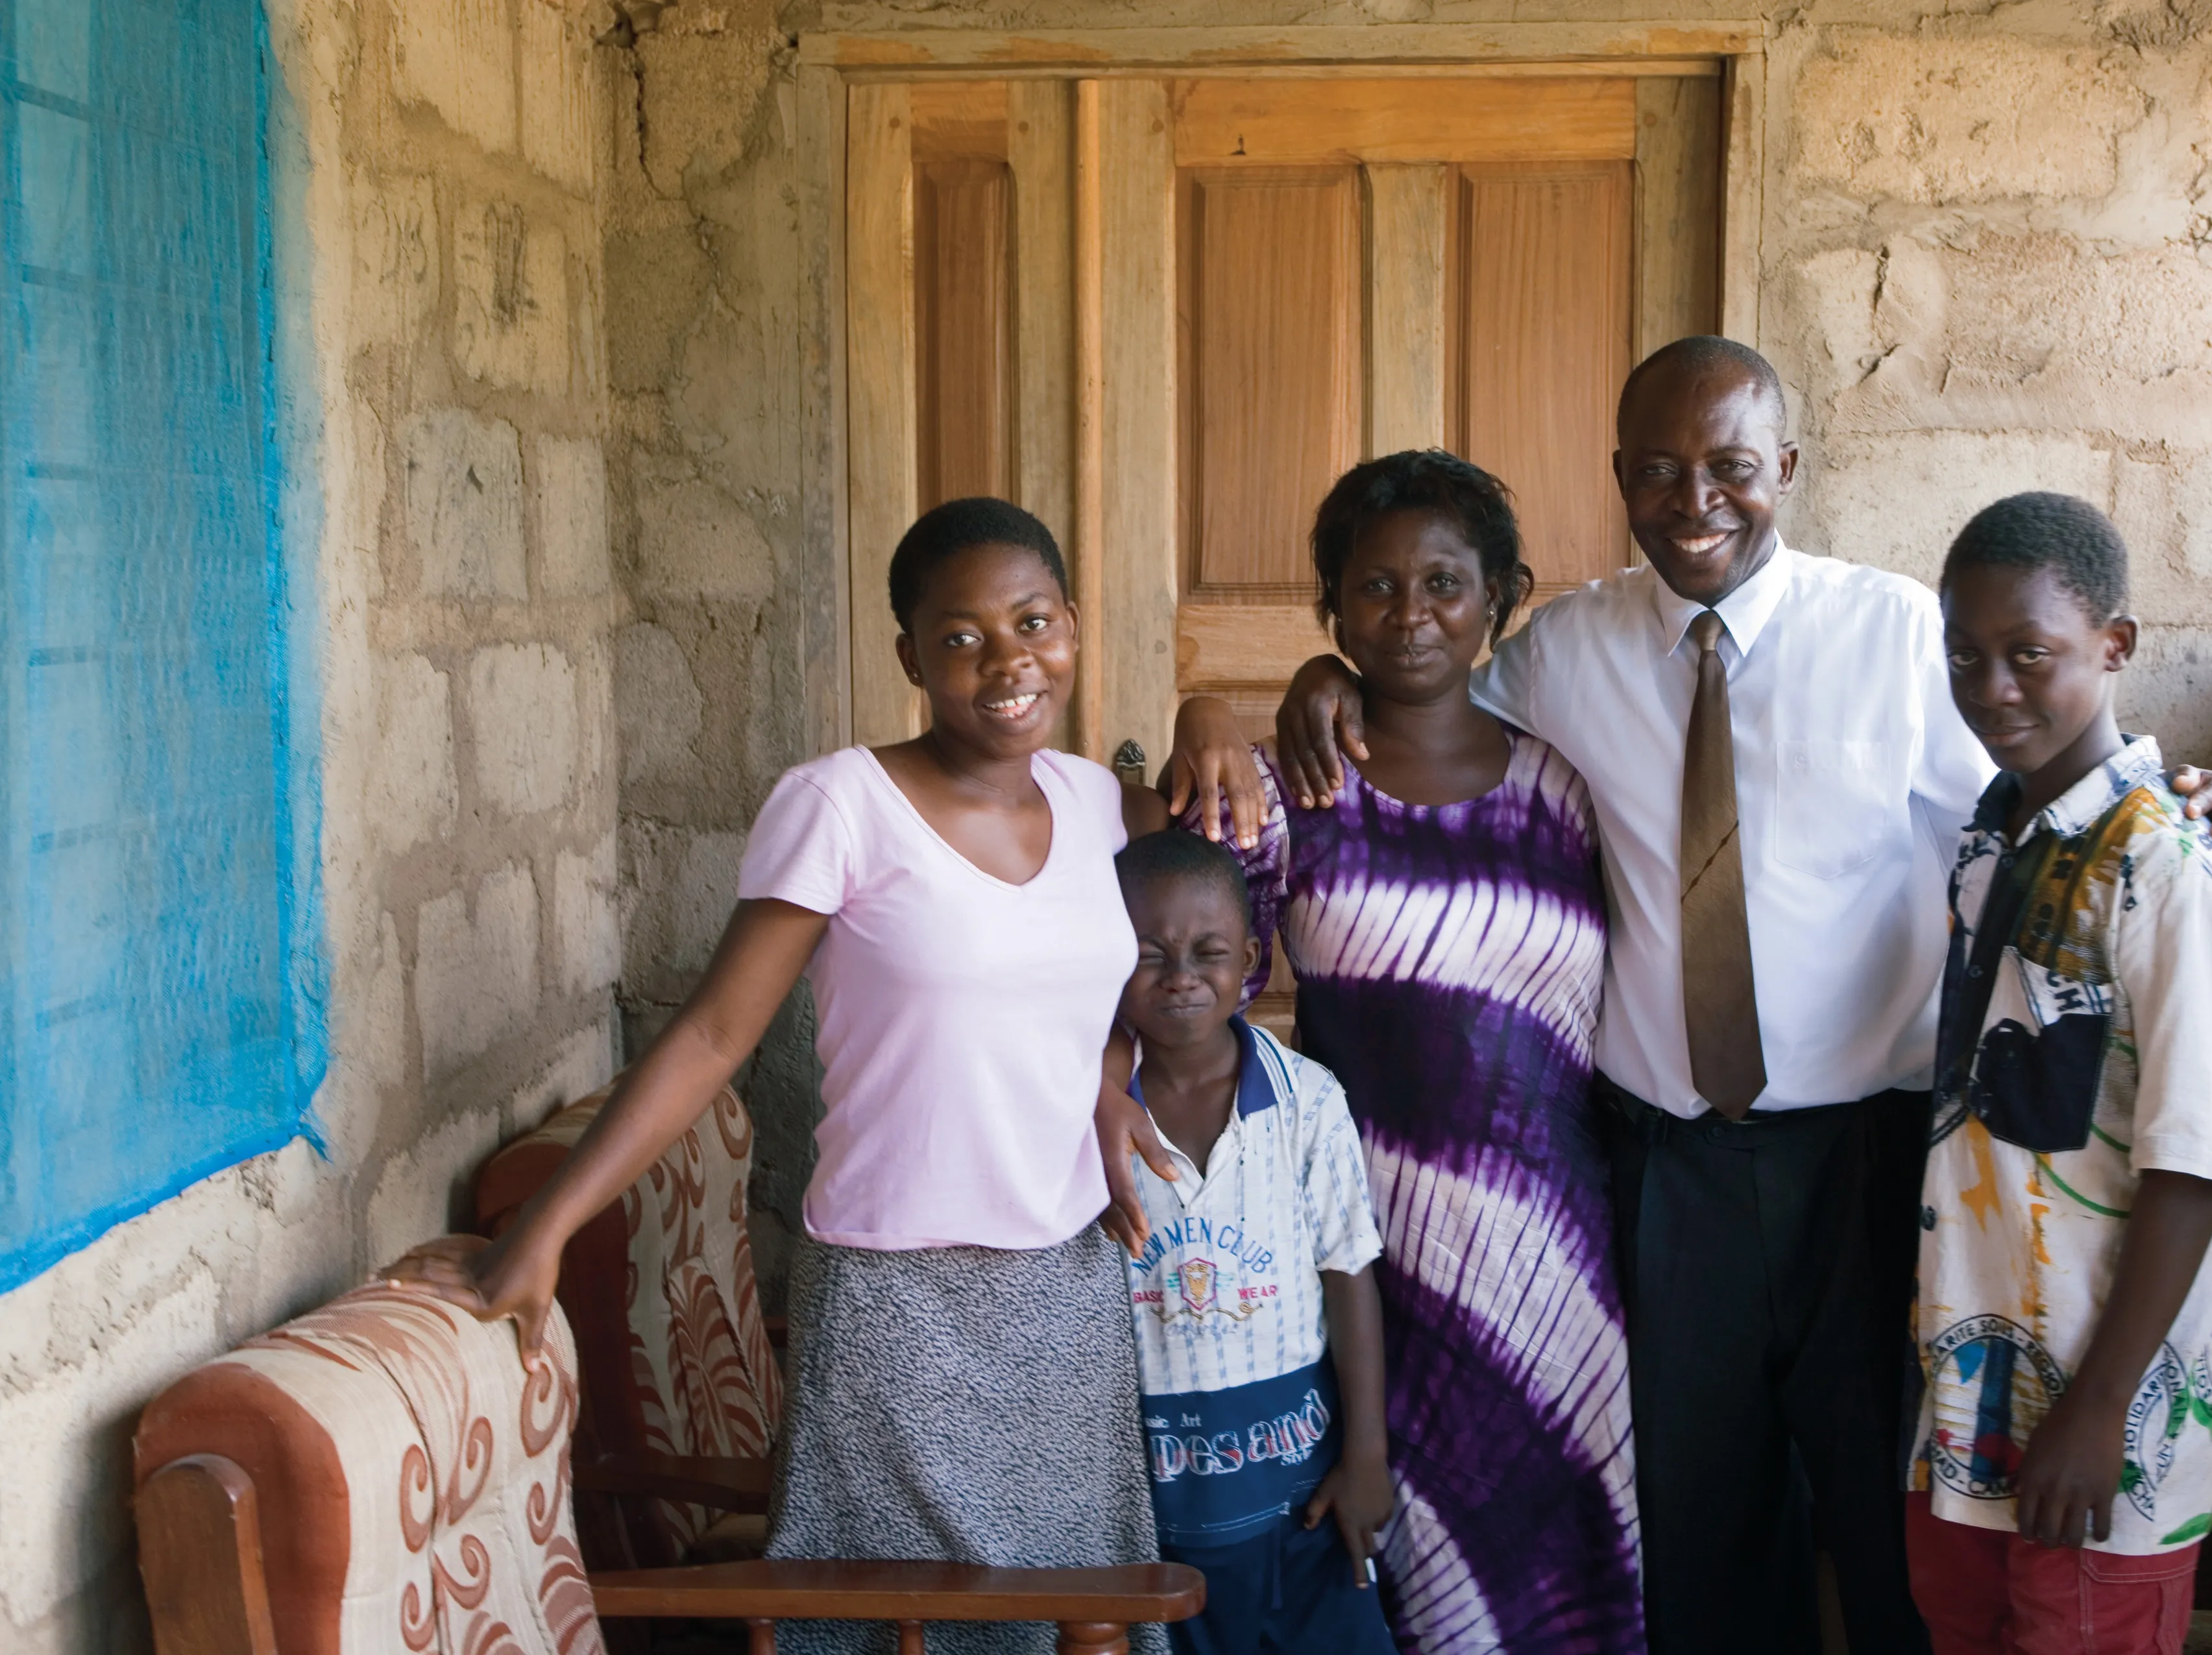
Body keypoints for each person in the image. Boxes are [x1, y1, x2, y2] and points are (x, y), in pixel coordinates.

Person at [1160, 338, 2212, 1652]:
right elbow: (1413, 691)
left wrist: (2193, 796)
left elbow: (2055, 770)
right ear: (1620, 478)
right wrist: (1285, 689)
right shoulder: (1562, 649)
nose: (1700, 502)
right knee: (1705, 1535)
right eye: (1662, 472)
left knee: (1890, 1522)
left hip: (1873, 1161)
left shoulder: (1907, 634)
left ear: (1783, 468)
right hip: (1661, 1167)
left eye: (1734, 468)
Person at [391, 497, 1174, 1655]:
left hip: (1065, 1293)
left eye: (1035, 622)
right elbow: (714, 1037)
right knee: (890, 1625)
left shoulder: (1101, 805)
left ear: (1072, 626)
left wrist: (1109, 1081)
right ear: (910, 656)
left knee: (1067, 1623)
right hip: (893, 1301)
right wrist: (552, 1222)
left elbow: (1122, 990)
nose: (1009, 661)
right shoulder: (840, 804)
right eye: (961, 638)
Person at [1167, 451, 1642, 1655]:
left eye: (1444, 583)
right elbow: (1162, 939)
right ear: (1332, 610)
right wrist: (1202, 714)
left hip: (1555, 1266)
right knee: (1393, 1568)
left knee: (1559, 1573)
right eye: (1374, 588)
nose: (1412, 614)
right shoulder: (1290, 796)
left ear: (1501, 599)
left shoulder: (1566, 793)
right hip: (1365, 1261)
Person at [1908, 492, 2212, 1652]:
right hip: (1970, 1406)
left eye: (2032, 656)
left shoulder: (2170, 867)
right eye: (1967, 656)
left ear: (2115, 646)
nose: (1993, 688)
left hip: (2102, 1414)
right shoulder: (1994, 833)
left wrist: (2099, 1409)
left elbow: (2199, 1162)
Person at [1112, 828, 1397, 1655]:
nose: (1181, 978)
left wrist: (1368, 1453)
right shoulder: (1090, 1120)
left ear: (1251, 956)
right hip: (1157, 1524)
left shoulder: (1308, 1101)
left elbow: (1349, 1276)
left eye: (1208, 952)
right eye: (1149, 955)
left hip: (1304, 1508)